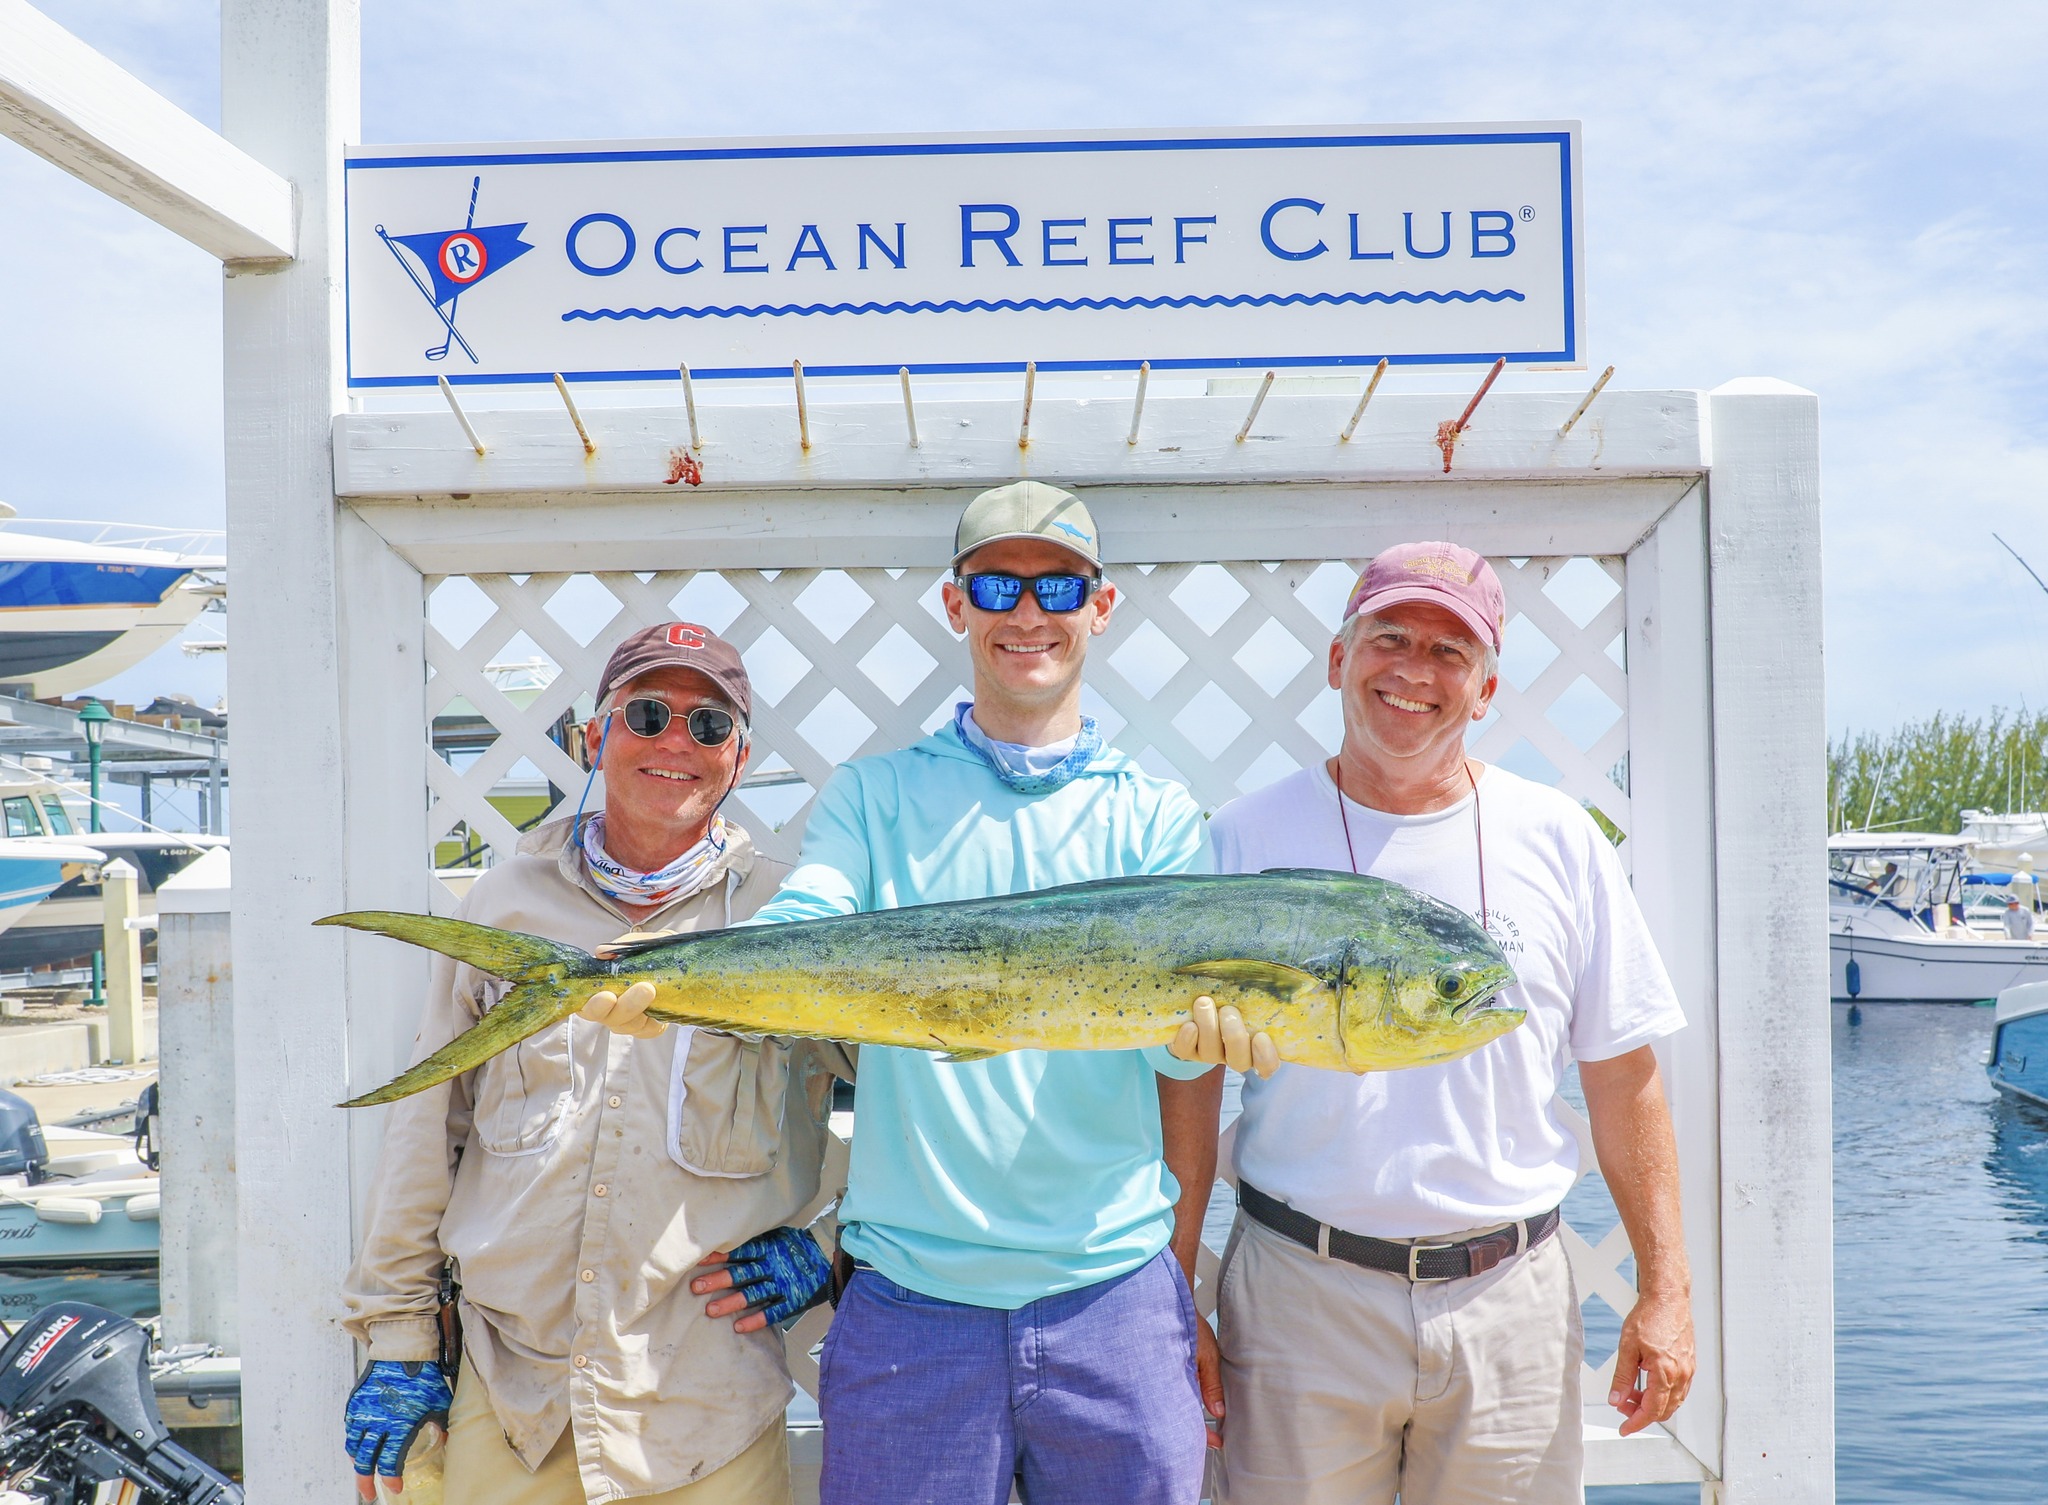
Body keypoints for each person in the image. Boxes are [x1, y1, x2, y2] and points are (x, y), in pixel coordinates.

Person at [588, 481, 1221, 1505]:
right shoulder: (872, 794)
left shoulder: (1158, 819)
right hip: (910, 1305)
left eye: (1058, 585)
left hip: (1112, 1299)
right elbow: (808, 921)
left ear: (1099, 607)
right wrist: (677, 975)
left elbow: (1168, 1054)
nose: (1027, 610)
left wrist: (1210, 1034)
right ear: (955, 603)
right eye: (997, 584)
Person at [1200, 540, 1696, 1505]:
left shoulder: (1559, 839)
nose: (1414, 671)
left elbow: (1623, 1079)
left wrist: (1666, 1290)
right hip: (1298, 1295)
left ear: (1486, 687)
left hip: (1510, 1301)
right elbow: (1186, 1085)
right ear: (1338, 659)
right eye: (1389, 638)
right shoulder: (1243, 837)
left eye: (1449, 651)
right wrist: (1176, 1290)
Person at [341, 623, 847, 1505]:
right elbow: (429, 1125)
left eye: (709, 725)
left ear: (739, 758)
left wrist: (836, 1247)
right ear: (593, 736)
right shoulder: (502, 904)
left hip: (708, 1410)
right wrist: (399, 1340)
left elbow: (921, 1097)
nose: (676, 742)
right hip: (513, 1399)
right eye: (647, 714)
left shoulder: (787, 916)